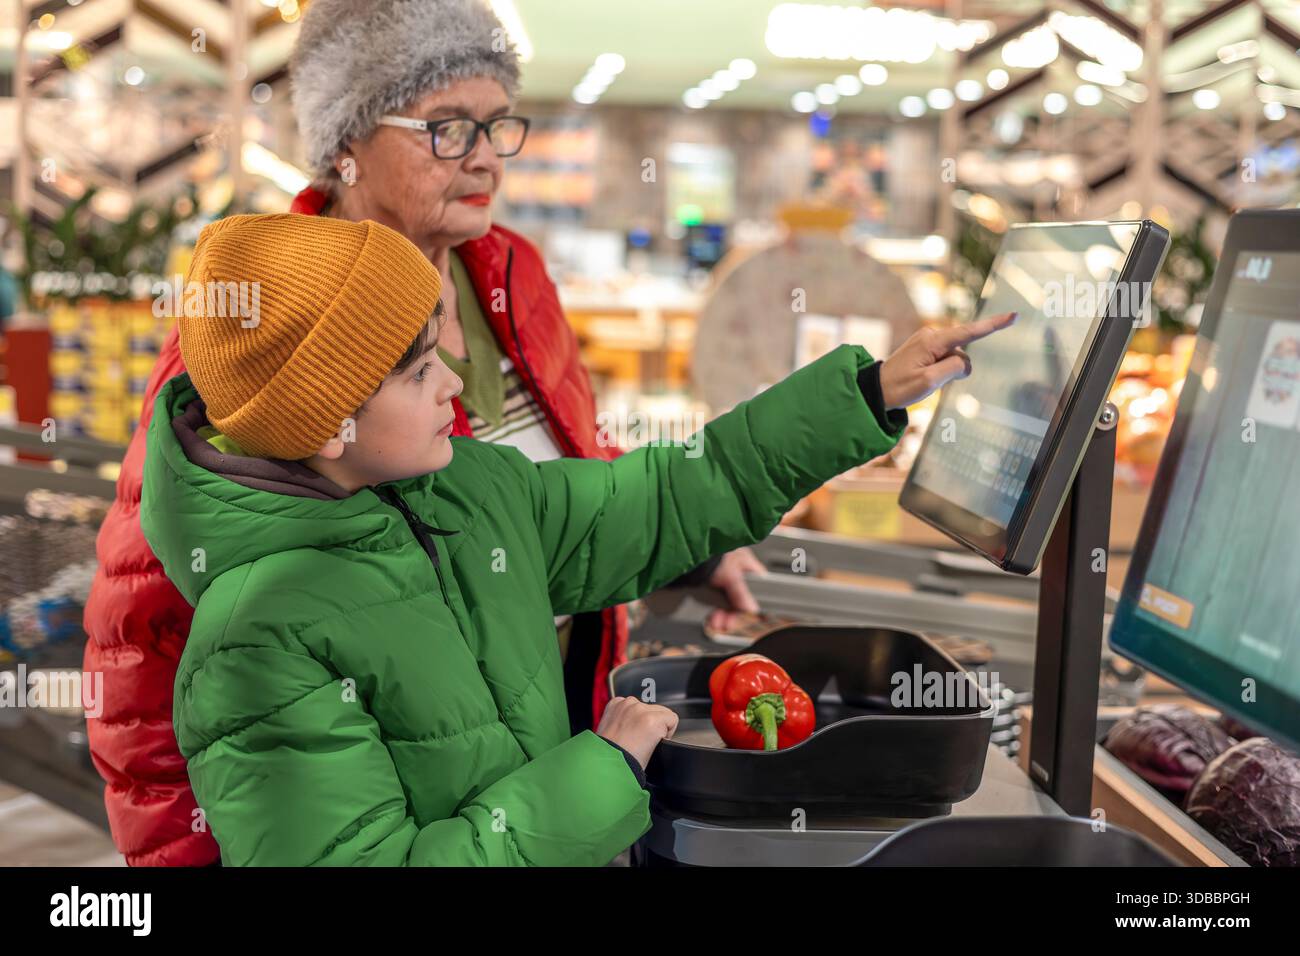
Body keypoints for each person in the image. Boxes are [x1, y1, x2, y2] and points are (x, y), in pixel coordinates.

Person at [82, 0, 754, 866]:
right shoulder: (260, 326)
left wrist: (685, 544)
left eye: (497, 123)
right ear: (343, 145)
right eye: (444, 128)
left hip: (545, 765)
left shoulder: (508, 270)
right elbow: (149, 629)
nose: (483, 156)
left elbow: (555, 474)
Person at [144, 212, 1013, 865]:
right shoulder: (256, 644)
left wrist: (866, 395)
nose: (454, 379)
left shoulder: (467, 492)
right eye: (418, 371)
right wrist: (601, 768)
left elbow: (666, 494)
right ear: (330, 424)